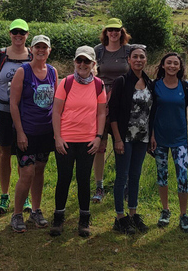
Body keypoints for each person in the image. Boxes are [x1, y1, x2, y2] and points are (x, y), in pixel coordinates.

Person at [50, 46, 107, 237]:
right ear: (75, 62)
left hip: (88, 142)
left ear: (93, 64)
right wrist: (57, 138)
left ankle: (84, 219)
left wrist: (98, 137)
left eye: (87, 61)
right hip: (65, 141)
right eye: (79, 61)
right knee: (64, 179)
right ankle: (58, 218)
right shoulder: (65, 83)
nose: (82, 65)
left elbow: (101, 113)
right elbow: (56, 112)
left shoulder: (99, 85)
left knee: (84, 180)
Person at [9, 35, 57, 233]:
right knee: (26, 172)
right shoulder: (23, 72)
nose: (41, 50)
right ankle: (17, 213)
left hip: (45, 132)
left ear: (49, 50)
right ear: (31, 49)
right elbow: (13, 103)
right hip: (27, 132)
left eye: (44, 47)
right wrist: (20, 132)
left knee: (39, 171)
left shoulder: (53, 71)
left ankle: (36, 210)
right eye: (37, 47)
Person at [108, 44, 156, 235]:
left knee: (135, 176)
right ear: (128, 60)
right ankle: (120, 217)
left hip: (142, 137)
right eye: (135, 57)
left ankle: (133, 214)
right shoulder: (121, 82)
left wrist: (151, 135)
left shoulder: (149, 83)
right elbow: (112, 114)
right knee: (122, 176)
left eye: (141, 57)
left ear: (145, 60)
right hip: (124, 137)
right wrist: (117, 139)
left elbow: (152, 112)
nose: (138, 60)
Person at [150, 52, 188, 233]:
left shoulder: (186, 88)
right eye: (168, 63)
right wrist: (152, 135)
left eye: (175, 63)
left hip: (180, 141)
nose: (172, 66)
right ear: (162, 65)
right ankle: (165, 210)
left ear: (180, 67)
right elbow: (151, 114)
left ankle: (184, 214)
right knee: (161, 176)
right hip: (160, 140)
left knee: (183, 177)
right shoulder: (154, 86)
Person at [0, 19, 33, 216]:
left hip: (25, 113)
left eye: (22, 32)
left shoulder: (32, 55)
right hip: (3, 110)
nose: (18, 35)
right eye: (15, 32)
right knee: (4, 153)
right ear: (9, 34)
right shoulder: (0, 55)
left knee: (23, 152)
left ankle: (23, 195)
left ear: (27, 35)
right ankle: (5, 195)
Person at [91, 18, 132, 203]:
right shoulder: (98, 51)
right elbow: (92, 74)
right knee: (99, 145)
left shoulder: (128, 50)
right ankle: (99, 186)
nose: (114, 33)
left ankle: (123, 184)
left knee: (122, 143)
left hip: (123, 99)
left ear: (121, 32)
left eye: (117, 30)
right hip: (100, 99)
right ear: (105, 32)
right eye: (110, 30)